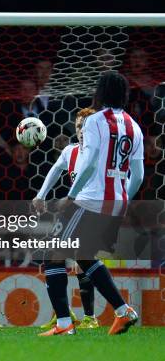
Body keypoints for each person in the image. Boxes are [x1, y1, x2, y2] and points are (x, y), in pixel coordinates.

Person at [39, 71, 144, 336]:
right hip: (116, 202)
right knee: (84, 257)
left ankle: (64, 324)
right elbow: (139, 175)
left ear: (99, 93)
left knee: (52, 256)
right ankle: (123, 311)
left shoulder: (95, 121)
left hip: (90, 200)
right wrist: (122, 203)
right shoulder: (135, 126)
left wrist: (71, 196)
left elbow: (90, 161)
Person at [33, 107, 99, 329]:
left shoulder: (99, 152)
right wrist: (41, 195)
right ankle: (64, 313)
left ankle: (87, 317)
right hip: (75, 211)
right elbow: (55, 170)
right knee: (58, 257)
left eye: (87, 126)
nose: (82, 130)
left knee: (77, 259)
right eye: (79, 126)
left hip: (94, 211)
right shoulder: (70, 151)